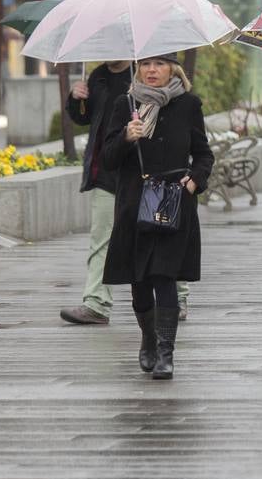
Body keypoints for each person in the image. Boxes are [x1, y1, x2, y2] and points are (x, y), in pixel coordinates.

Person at [102, 55, 213, 380]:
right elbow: (107, 159)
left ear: (173, 70)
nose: (152, 71)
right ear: (138, 68)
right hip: (134, 204)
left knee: (165, 277)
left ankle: (166, 353)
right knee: (139, 283)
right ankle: (148, 339)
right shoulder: (126, 104)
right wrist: (125, 137)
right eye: (146, 64)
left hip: (173, 202)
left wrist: (195, 180)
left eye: (160, 64)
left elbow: (204, 153)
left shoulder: (188, 104)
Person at [59, 60, 132, 325]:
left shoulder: (144, 71)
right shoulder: (98, 76)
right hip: (105, 171)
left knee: (155, 237)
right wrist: (75, 98)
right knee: (101, 238)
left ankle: (176, 298)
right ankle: (96, 303)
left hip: (140, 171)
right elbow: (85, 117)